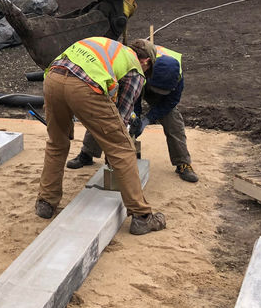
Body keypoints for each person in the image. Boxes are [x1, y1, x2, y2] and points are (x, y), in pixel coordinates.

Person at [36, 36, 167, 235]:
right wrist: (115, 144)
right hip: (83, 86)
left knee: (57, 143)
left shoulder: (110, 48)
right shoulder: (135, 69)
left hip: (53, 78)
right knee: (123, 148)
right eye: (148, 69)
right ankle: (142, 217)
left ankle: (46, 202)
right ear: (146, 61)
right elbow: (122, 116)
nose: (145, 73)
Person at [65, 39, 198, 183]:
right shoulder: (140, 64)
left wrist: (147, 120)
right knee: (108, 113)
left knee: (174, 122)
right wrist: (134, 116)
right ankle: (87, 153)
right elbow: (133, 97)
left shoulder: (176, 74)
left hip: (156, 90)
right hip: (138, 81)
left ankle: (183, 162)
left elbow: (170, 102)